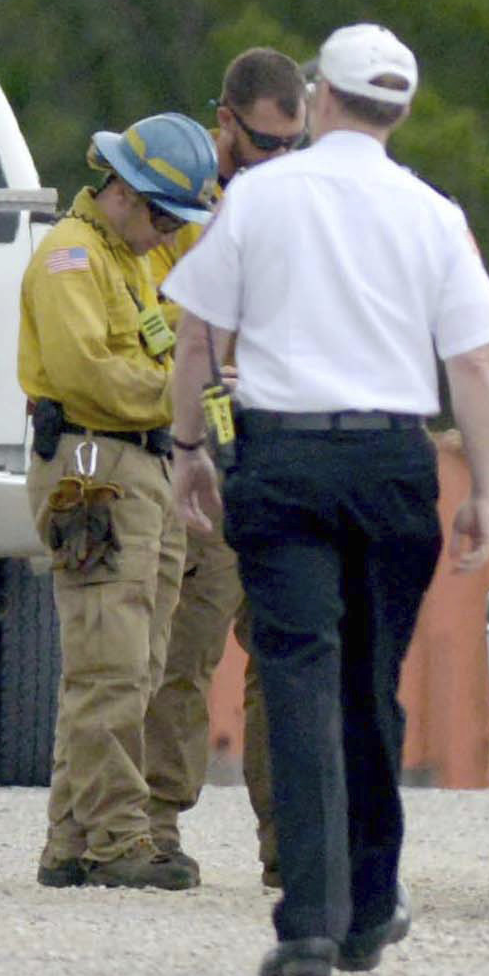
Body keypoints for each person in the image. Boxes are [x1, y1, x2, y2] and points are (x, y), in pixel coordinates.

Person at [165, 24, 489, 976]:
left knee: (301, 679)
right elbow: (474, 361)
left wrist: (188, 448)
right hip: (393, 463)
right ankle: (369, 906)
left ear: (320, 97)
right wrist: (482, 487)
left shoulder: (261, 199)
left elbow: (200, 337)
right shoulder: (433, 213)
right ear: (400, 109)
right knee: (372, 687)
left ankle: (309, 923)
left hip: (282, 461)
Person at [18, 111, 220, 890]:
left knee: (132, 662)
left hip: (139, 466)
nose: (170, 233)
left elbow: (156, 340)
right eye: (166, 215)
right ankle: (116, 837)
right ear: (127, 194)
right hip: (93, 467)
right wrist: (188, 393)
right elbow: (90, 376)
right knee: (110, 661)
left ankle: (72, 836)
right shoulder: (72, 260)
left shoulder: (126, 261)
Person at [142, 47, 308, 889]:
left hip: (281, 449)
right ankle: (153, 826)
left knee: (284, 658)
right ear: (227, 121)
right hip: (210, 443)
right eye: (266, 143)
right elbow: (170, 327)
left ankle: (290, 843)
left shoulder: (305, 204)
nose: (279, 159)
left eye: (293, 144)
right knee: (187, 647)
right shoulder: (180, 204)